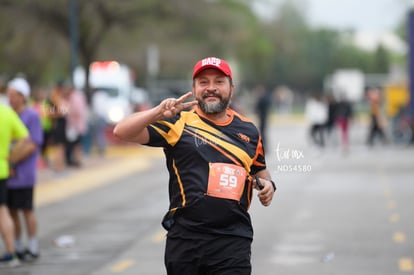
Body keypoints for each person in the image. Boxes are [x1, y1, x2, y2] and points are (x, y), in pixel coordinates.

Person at [114, 57, 276, 275]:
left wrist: (268, 186)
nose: (211, 88)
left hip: (233, 239)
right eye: (203, 82)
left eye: (219, 82)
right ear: (194, 88)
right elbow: (121, 131)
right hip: (185, 240)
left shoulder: (249, 131)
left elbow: (259, 170)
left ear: (231, 88)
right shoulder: (178, 122)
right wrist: (156, 113)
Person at [6, 77, 43, 261]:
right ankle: (18, 245)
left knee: (26, 210)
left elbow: (31, 145)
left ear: (23, 97)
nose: (10, 98)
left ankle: (33, 245)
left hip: (24, 173)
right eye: (9, 95)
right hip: (8, 174)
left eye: (13, 95)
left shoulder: (32, 116)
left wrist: (12, 161)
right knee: (11, 211)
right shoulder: (8, 115)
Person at [0, 104, 30, 268]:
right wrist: (10, 156)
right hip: (2, 168)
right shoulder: (6, 111)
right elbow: (25, 137)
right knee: (3, 211)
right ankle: (11, 253)